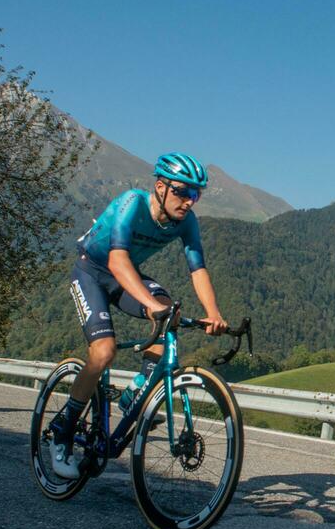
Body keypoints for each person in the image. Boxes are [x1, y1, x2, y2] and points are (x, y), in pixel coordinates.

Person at [45, 152, 229, 479]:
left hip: (126, 275)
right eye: (182, 192)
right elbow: (116, 261)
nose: (189, 201)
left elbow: (198, 270)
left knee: (169, 313)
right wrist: (150, 305)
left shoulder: (187, 222)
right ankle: (63, 430)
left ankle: (136, 392)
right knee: (103, 352)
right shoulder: (132, 203)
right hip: (92, 271)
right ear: (160, 187)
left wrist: (214, 313)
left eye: (195, 194)